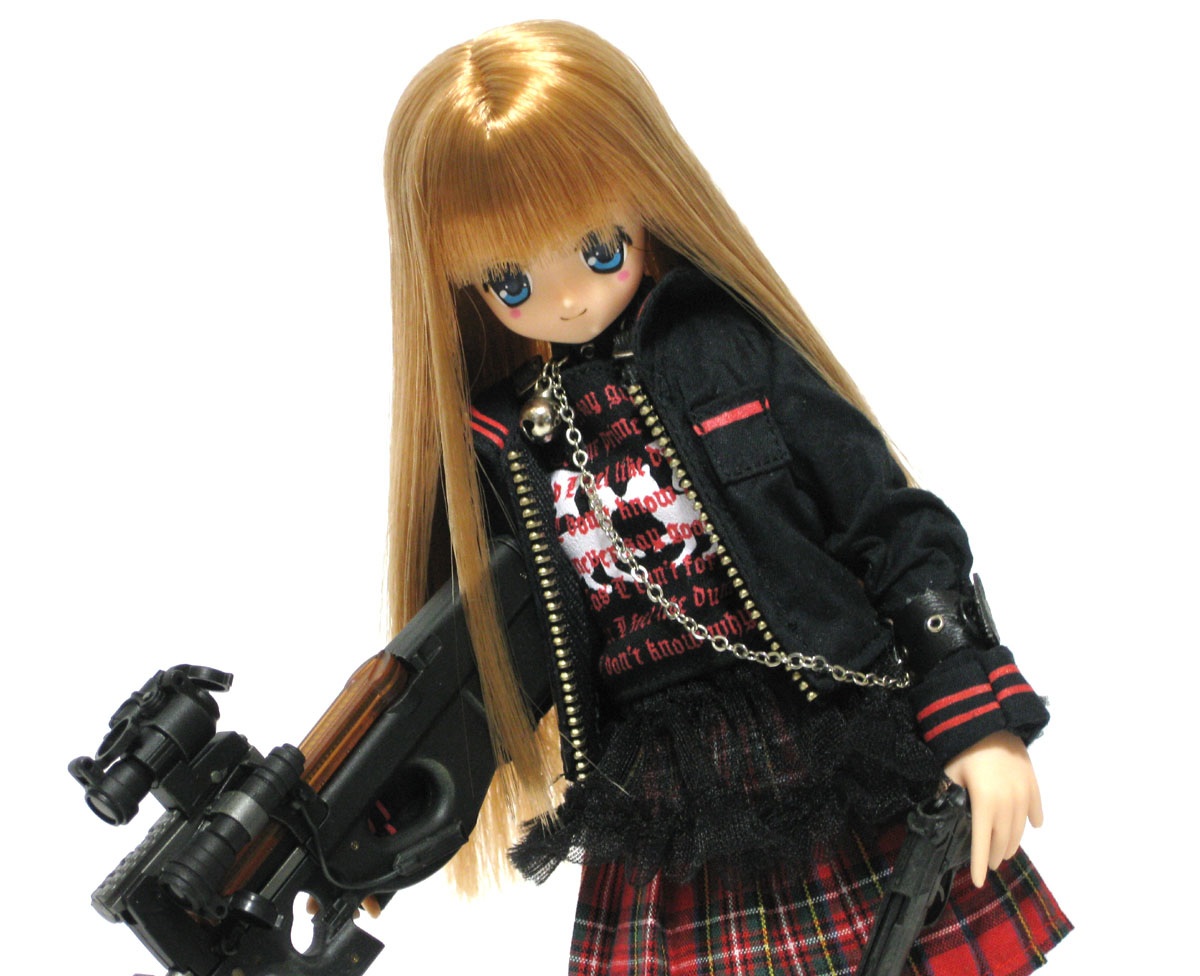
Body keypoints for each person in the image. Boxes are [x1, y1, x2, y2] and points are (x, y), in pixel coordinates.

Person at [383, 19, 1070, 975]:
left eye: (596, 246)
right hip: (662, 795)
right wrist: (377, 817)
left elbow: (891, 524)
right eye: (511, 279)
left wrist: (973, 713)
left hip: (826, 732)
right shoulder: (502, 444)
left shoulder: (725, 350)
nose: (569, 298)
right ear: (459, 281)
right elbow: (473, 658)